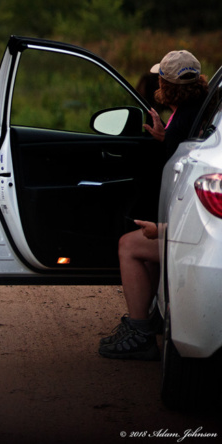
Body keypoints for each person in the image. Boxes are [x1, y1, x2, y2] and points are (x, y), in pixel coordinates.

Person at [99, 50, 209, 360]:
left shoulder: (185, 117)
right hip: (185, 220)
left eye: (160, 78)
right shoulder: (195, 112)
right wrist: (165, 138)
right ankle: (149, 319)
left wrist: (163, 228)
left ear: (166, 85)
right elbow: (181, 145)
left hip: (189, 232)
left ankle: (140, 332)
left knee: (127, 246)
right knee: (145, 256)